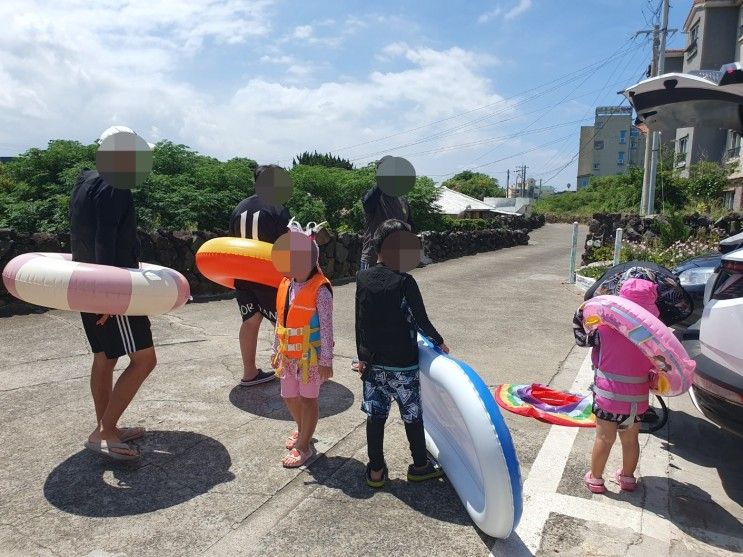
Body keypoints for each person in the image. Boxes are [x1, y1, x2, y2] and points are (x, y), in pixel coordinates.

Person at [71, 128, 156, 461]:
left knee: (105, 357)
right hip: (111, 288)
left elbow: (83, 236)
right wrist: (107, 295)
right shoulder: (114, 186)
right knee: (145, 359)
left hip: (85, 282)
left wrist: (94, 291)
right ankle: (103, 430)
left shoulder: (84, 181)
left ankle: (108, 426)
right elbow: (104, 240)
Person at [355, 219, 448, 488]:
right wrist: (439, 342)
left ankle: (375, 471)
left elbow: (360, 321)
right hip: (404, 365)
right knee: (412, 416)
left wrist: (362, 357)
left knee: (376, 417)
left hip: (373, 365)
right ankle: (419, 466)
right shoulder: (405, 282)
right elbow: (420, 320)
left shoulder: (363, 278)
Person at [573, 278, 658, 493]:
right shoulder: (654, 338)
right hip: (637, 401)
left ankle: (596, 478)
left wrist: (581, 312)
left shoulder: (605, 330)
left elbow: (581, 337)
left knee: (604, 438)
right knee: (631, 441)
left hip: (608, 398)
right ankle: (628, 478)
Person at [272, 230, 334, 468]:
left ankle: (304, 446)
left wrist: (326, 360)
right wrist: (276, 349)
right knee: (288, 395)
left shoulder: (321, 289)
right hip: (288, 354)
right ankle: (302, 429)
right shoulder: (286, 284)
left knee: (308, 399)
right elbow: (281, 318)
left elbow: (327, 326)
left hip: (311, 356)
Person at [229, 165, 291, 386]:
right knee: (283, 324)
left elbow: (232, 243)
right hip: (270, 277)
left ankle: (249, 373)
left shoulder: (239, 208)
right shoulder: (277, 208)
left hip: (243, 276)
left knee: (250, 321)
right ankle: (288, 372)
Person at [352, 162, 415, 371]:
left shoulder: (403, 200)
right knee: (367, 308)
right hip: (372, 257)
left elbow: (410, 226)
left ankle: (388, 350)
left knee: (396, 306)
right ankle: (362, 355)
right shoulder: (374, 197)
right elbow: (366, 203)